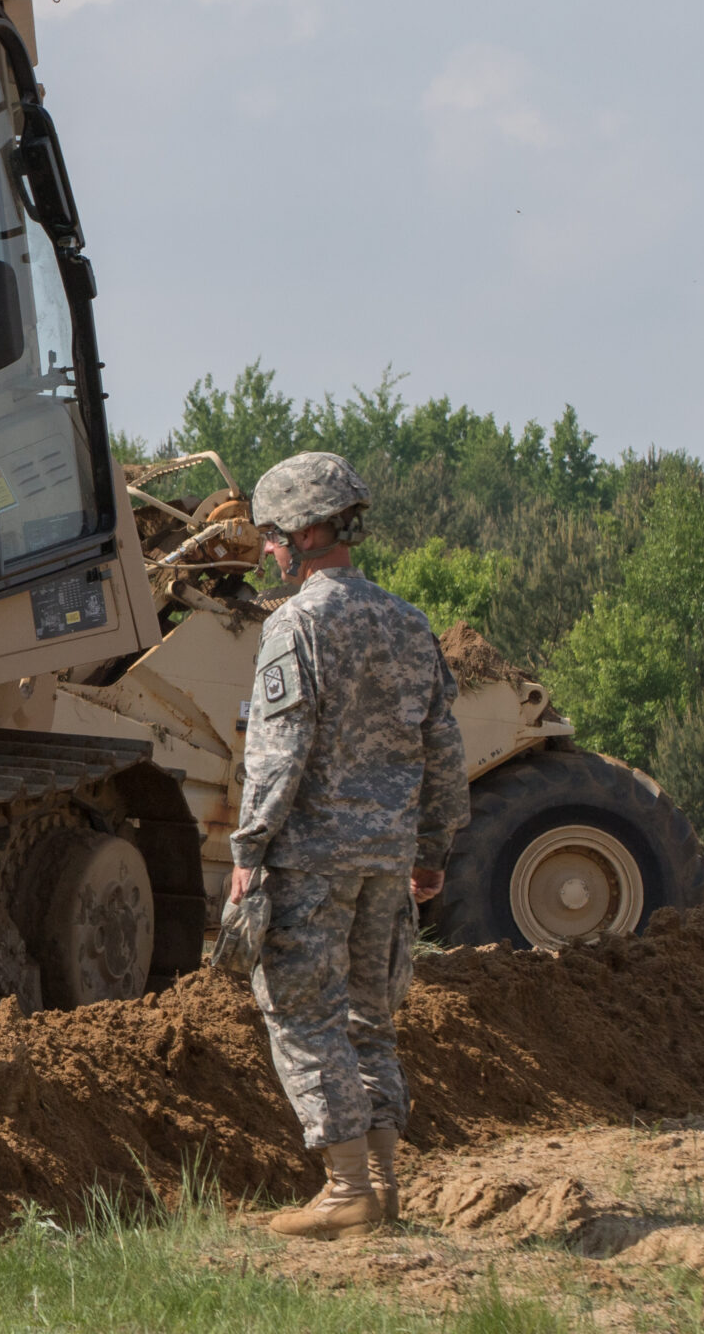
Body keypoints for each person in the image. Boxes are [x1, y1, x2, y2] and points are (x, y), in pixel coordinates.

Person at [228, 451, 468, 1239]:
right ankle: (386, 1186)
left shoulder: (294, 625)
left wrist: (247, 852)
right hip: (388, 862)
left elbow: (277, 753)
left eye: (270, 536)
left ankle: (345, 1193)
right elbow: (445, 752)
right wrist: (430, 851)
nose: (266, 550)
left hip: (312, 863)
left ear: (304, 532)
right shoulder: (410, 624)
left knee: (304, 1016)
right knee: (370, 1016)